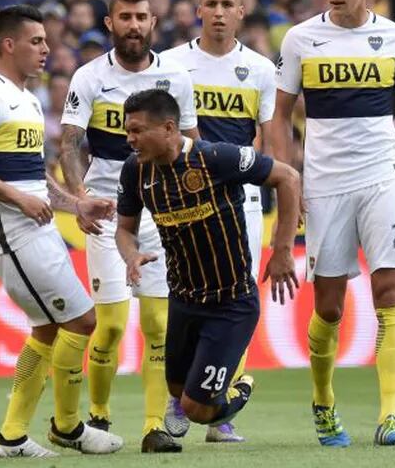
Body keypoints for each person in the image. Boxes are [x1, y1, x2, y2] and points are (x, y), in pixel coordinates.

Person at [272, 0, 395, 447]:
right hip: (325, 183)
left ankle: (389, 416)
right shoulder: (302, 39)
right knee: (329, 306)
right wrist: (291, 177)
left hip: (381, 178)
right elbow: (281, 116)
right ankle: (324, 402)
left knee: (388, 292)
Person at [0, 4, 123, 458]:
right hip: (13, 235)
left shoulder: (26, 98)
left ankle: (11, 436)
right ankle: (67, 426)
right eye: (36, 41)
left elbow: (33, 177)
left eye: (46, 40)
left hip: (38, 228)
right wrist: (18, 200)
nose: (47, 49)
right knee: (83, 320)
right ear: (9, 44)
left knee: (47, 331)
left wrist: (75, 202)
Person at [115, 89, 301, 449]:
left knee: (196, 410)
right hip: (183, 300)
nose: (130, 139)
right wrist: (130, 255)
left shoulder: (215, 157)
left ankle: (241, 388)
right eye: (128, 131)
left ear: (169, 128)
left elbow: (289, 178)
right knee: (176, 389)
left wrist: (282, 250)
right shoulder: (135, 170)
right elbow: (125, 229)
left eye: (137, 130)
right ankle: (203, 396)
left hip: (230, 303)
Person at [59, 0, 199, 453]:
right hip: (106, 209)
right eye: (125, 17)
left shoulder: (176, 78)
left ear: (153, 22)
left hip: (161, 211)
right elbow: (71, 141)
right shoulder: (89, 77)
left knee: (158, 324)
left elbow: (190, 142)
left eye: (142, 17)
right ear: (110, 23)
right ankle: (97, 416)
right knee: (112, 326)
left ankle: (154, 426)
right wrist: (79, 195)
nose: (134, 25)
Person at [159, 0, 278, 443]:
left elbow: (268, 138)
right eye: (212, 3)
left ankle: (217, 403)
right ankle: (178, 394)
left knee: (237, 290)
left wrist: (275, 192)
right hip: (185, 196)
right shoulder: (170, 64)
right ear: (198, 10)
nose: (221, 12)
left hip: (242, 198)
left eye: (229, 3)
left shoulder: (262, 70)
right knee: (185, 283)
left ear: (241, 11)